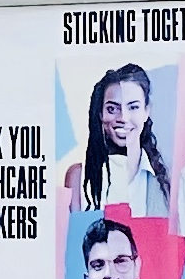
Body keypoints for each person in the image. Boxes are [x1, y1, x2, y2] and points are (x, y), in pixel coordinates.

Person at [62, 63, 175, 218]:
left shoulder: (164, 180)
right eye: (112, 109)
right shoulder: (78, 177)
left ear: (146, 111)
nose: (123, 118)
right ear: (100, 114)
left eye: (133, 107)